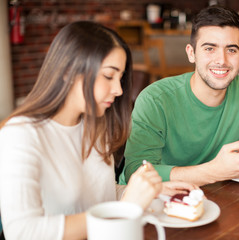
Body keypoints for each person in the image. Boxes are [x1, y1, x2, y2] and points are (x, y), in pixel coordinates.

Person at [0, 21, 197, 240]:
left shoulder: (96, 125)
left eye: (120, 78)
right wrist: (126, 207)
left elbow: (100, 196)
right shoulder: (20, 134)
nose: (119, 89)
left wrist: (150, 191)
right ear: (68, 71)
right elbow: (22, 232)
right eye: (108, 76)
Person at [120, 5, 239, 186]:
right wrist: (215, 171)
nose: (221, 60)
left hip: (212, 198)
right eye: (209, 48)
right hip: (148, 202)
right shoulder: (156, 99)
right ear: (191, 53)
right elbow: (136, 171)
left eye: (231, 50)